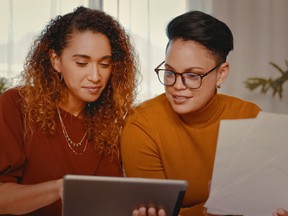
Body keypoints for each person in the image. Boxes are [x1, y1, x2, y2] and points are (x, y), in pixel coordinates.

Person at [120, 10, 262, 216]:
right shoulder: (141, 124)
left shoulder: (249, 116)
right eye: (169, 73)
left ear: (221, 74)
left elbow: (260, 199)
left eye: (192, 75)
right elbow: (159, 213)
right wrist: (213, 209)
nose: (177, 86)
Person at [0, 6, 138, 215]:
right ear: (55, 60)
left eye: (104, 64)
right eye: (82, 63)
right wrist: (59, 188)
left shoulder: (108, 122)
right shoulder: (17, 104)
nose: (95, 76)